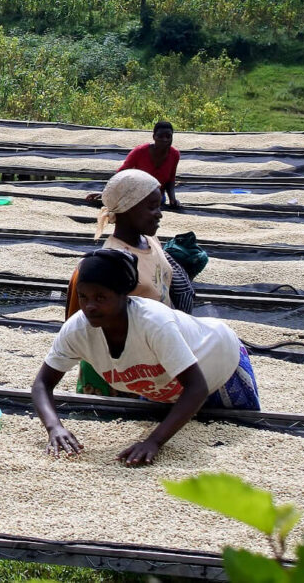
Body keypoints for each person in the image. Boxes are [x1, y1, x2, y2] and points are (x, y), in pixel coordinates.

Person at [32, 249, 261, 467]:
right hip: (163, 387)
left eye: (101, 297)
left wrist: (154, 442)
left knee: (233, 431)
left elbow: (196, 387)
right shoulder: (77, 331)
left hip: (218, 364)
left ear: (124, 295)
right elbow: (42, 384)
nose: (90, 306)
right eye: (83, 297)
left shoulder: (153, 323)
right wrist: (54, 427)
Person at [67, 168, 197, 395]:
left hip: (159, 349)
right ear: (127, 208)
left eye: (159, 206)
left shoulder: (150, 239)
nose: (159, 213)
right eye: (151, 207)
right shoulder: (114, 259)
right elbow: (98, 323)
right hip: (131, 365)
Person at [120, 121, 182, 210]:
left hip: (157, 197)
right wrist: (110, 193)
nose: (165, 140)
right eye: (160, 136)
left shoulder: (174, 154)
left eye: (168, 136)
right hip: (136, 194)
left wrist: (173, 199)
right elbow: (122, 173)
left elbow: (170, 179)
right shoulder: (139, 151)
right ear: (154, 137)